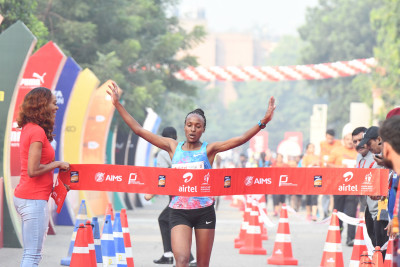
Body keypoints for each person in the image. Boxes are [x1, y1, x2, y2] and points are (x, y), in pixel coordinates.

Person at [107, 81, 275, 267]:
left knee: (202, 264)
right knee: (182, 259)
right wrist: (117, 105)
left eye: (198, 126)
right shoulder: (172, 147)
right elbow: (139, 130)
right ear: (184, 127)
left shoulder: (209, 149)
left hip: (204, 211)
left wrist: (263, 122)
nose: (193, 129)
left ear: (203, 129)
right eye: (189, 125)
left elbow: (241, 139)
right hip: (179, 211)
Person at [13, 87, 70, 266]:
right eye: (54, 103)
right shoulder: (36, 132)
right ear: (42, 105)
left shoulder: (30, 128)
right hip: (33, 199)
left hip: (29, 197)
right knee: (32, 256)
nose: (56, 107)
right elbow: (33, 170)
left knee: (30, 254)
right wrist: (58, 164)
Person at [327, 125, 358, 246]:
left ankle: (350, 238)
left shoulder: (358, 152)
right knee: (338, 212)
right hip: (338, 186)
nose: (350, 142)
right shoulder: (336, 151)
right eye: (348, 139)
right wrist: (340, 168)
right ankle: (336, 235)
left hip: (353, 188)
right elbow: (328, 164)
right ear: (343, 140)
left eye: (352, 140)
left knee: (351, 213)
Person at [320, 129, 341, 219]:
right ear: (325, 136)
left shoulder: (338, 144)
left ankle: (334, 212)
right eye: (328, 138)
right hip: (323, 171)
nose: (330, 140)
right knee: (324, 192)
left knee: (334, 193)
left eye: (331, 138)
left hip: (334, 172)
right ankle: (325, 212)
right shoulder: (322, 144)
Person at [301, 143, 321, 221]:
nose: (311, 149)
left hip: (317, 177)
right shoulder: (305, 157)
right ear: (307, 149)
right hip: (308, 177)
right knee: (308, 196)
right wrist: (311, 164)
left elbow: (320, 166)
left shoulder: (318, 157)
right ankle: (308, 213)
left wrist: (316, 165)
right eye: (310, 147)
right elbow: (303, 167)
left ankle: (314, 214)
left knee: (315, 196)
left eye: (313, 147)